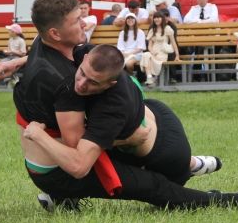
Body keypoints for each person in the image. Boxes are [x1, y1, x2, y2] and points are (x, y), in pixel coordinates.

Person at [0, 0, 238, 212]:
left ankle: (185, 164)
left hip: (59, 157)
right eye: (78, 21)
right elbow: (77, 157)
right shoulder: (64, 84)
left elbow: (44, 58)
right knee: (152, 185)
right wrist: (126, 134)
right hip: (58, 170)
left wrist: (16, 62)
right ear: (55, 32)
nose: (86, 23)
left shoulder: (48, 43)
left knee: (146, 137)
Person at [25, 44, 220, 186]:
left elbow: (79, 165)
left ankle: (191, 164)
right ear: (84, 59)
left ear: (110, 84)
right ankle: (195, 162)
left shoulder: (113, 107)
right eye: (82, 73)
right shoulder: (95, 55)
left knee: (178, 173)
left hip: (165, 152)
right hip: (154, 110)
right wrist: (18, 63)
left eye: (93, 82)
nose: (81, 84)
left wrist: (38, 134)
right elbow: (57, 58)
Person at [139, 11, 178, 87]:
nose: (157, 19)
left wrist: (177, 55)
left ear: (162, 19)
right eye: (155, 18)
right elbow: (150, 45)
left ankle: (154, 78)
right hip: (154, 50)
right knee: (146, 55)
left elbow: (173, 43)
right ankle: (149, 78)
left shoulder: (167, 29)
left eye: (159, 17)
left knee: (149, 58)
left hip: (163, 52)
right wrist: (152, 52)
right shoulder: (152, 30)